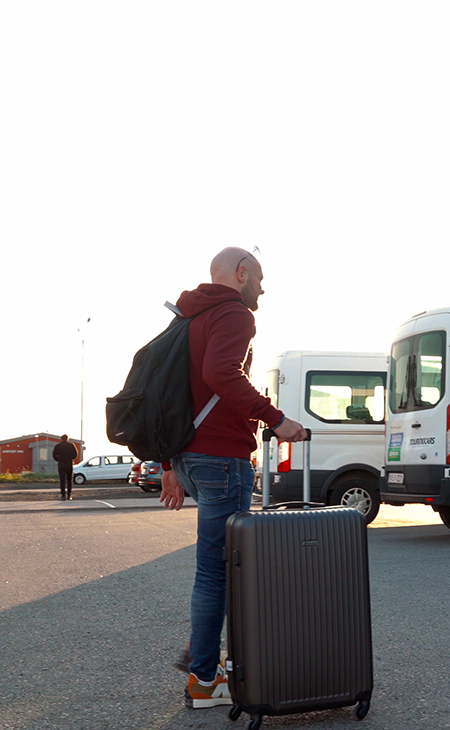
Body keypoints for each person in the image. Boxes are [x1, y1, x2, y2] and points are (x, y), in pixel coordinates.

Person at [159, 246, 306, 710]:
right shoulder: (235, 314)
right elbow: (220, 372)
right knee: (219, 574)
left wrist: (167, 466)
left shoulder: (188, 316)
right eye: (258, 278)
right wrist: (275, 417)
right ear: (241, 273)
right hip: (220, 457)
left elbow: (169, 391)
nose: (262, 288)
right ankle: (204, 678)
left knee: (212, 570)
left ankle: (204, 662)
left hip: (188, 454)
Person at [52, 434, 78, 500]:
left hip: (61, 464)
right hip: (69, 464)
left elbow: (54, 455)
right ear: (67, 438)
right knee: (69, 480)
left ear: (61, 439)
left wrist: (59, 460)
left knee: (62, 480)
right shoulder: (71, 445)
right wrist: (70, 458)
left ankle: (63, 495)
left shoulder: (57, 446)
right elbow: (75, 454)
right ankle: (69, 495)